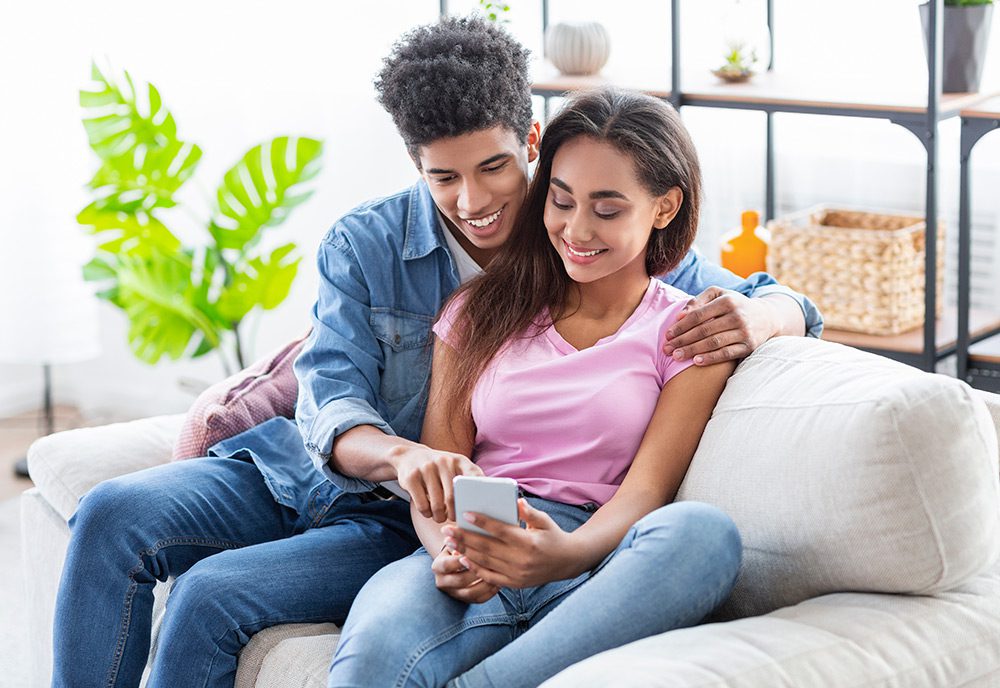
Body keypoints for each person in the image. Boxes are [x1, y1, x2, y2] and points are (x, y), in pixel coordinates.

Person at [51, 17, 820, 688]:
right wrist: (399, 458)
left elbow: (747, 293)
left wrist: (773, 313)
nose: (474, 202)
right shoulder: (371, 245)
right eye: (442, 177)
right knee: (114, 511)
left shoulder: (589, 235)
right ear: (414, 165)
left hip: (414, 521)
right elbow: (332, 393)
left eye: (493, 169)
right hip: (326, 478)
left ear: (530, 146)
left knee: (211, 594)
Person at [328, 86, 742, 688]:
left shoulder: (686, 332)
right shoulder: (476, 311)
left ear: (664, 208)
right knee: (371, 659)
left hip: (599, 556)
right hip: (482, 539)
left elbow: (646, 491)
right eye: (562, 200)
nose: (576, 229)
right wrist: (450, 549)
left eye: (607, 209)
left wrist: (564, 555)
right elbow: (442, 467)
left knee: (704, 533)